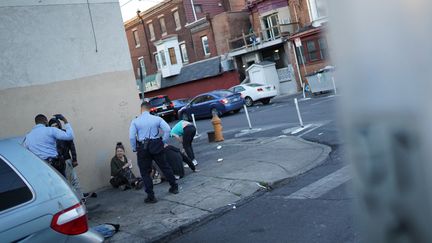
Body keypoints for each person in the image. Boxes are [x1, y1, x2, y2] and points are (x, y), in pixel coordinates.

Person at [129, 101, 179, 204]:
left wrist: (134, 148)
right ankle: (174, 187)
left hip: (143, 147)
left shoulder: (135, 121)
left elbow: (131, 137)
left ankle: (151, 196)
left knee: (145, 172)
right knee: (165, 166)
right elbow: (167, 129)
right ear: (149, 109)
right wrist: (163, 141)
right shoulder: (157, 119)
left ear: (141, 109)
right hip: (156, 144)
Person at [49, 118, 83, 200]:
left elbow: (72, 147)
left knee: (73, 181)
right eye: (52, 126)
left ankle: (81, 199)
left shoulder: (65, 133)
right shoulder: (50, 136)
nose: (55, 127)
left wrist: (74, 159)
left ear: (59, 125)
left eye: (56, 125)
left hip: (66, 160)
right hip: (56, 163)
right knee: (64, 183)